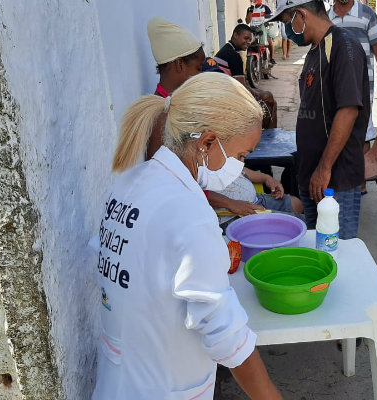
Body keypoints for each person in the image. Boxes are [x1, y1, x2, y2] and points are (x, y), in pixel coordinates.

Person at [94, 73, 283, 399]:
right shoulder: (189, 214)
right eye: (241, 155)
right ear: (207, 143)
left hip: (118, 382)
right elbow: (225, 333)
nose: (240, 166)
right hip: (162, 388)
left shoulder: (130, 183)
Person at [270, 0, 370, 239]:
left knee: (337, 250)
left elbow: (348, 111)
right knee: (316, 248)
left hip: (335, 178)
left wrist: (324, 168)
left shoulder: (343, 47)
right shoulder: (316, 49)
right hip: (312, 175)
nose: (287, 30)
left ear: (301, 15)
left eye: (287, 22)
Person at [329, 0, 377, 194]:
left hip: (362, 84)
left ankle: (360, 181)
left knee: (361, 131)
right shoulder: (327, 16)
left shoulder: (367, 13)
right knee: (336, 128)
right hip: (334, 85)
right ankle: (339, 176)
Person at [144, 16, 205, 161]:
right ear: (179, 64)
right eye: (199, 68)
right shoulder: (161, 115)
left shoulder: (177, 102)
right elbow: (156, 171)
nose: (200, 75)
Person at [216, 23, 278, 129]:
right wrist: (260, 95)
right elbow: (241, 88)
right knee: (269, 100)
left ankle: (269, 134)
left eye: (250, 40)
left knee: (267, 96)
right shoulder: (234, 56)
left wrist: (258, 92)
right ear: (235, 35)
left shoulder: (225, 50)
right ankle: (269, 137)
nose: (248, 42)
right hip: (227, 98)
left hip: (224, 93)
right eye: (246, 38)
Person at [215, 167, 304, 221]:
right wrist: (231, 204)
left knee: (296, 204)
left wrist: (267, 178)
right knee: (300, 222)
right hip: (232, 214)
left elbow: (240, 170)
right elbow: (204, 194)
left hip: (255, 199)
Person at [246, 0, 276, 65]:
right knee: (249, 44)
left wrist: (268, 23)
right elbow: (247, 21)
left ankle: (271, 58)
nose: (254, 1)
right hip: (253, 30)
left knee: (269, 42)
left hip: (263, 29)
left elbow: (271, 18)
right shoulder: (250, 9)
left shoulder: (265, 8)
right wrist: (251, 11)